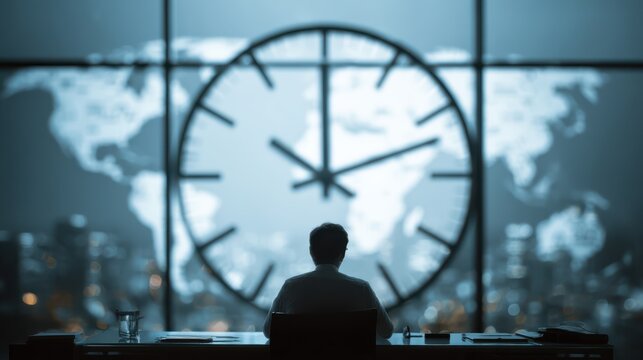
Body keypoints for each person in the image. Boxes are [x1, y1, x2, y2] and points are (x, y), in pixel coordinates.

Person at [263, 222, 394, 339]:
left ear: (311, 252)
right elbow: (386, 332)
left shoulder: (290, 287)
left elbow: (268, 332)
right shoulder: (362, 288)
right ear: (342, 254)